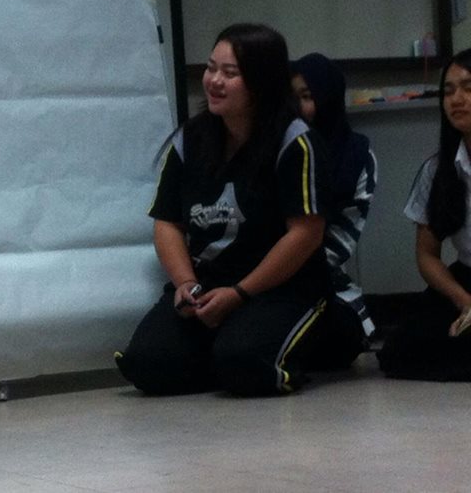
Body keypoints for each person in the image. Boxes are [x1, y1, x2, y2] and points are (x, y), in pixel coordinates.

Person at [115, 23, 332, 396]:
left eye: (230, 73)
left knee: (246, 367)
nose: (214, 81)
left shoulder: (295, 142)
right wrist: (186, 284)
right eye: (211, 68)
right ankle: (226, 351)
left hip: (279, 288)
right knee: (146, 364)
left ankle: (301, 343)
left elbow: (306, 233)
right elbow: (167, 222)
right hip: (209, 284)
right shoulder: (190, 139)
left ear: (262, 82)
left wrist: (240, 293)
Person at [378, 48, 471, 380]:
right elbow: (427, 255)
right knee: (399, 351)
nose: (456, 99)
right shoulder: (438, 169)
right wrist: (465, 301)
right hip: (466, 280)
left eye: (468, 88)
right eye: (448, 91)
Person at [291, 53, 377, 368]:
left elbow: (338, 244)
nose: (297, 107)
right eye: (291, 98)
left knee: (335, 342)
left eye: (307, 97)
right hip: (261, 283)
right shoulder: (277, 148)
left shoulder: (356, 155)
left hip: (321, 280)